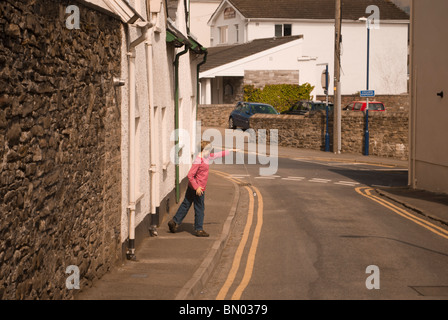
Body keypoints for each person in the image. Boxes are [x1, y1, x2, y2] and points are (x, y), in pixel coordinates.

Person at [168, 141, 233, 237]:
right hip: (198, 188)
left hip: (192, 187)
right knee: (200, 208)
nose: (210, 152)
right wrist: (197, 187)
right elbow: (190, 175)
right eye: (208, 150)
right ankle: (199, 229)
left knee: (186, 204)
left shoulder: (205, 157)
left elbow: (216, 155)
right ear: (204, 150)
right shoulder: (199, 160)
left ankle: (174, 222)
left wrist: (229, 151)